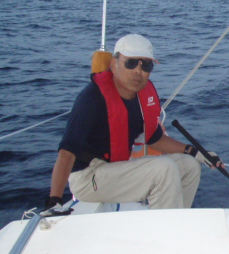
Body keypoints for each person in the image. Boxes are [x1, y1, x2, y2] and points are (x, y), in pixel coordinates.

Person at [46, 33, 219, 211]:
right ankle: (164, 227)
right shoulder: (91, 99)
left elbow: (154, 138)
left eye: (146, 65)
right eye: (131, 63)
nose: (138, 70)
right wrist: (54, 201)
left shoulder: (140, 99)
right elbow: (67, 152)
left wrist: (196, 152)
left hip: (116, 169)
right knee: (164, 169)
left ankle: (178, 220)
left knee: (190, 166)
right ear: (114, 64)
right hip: (88, 178)